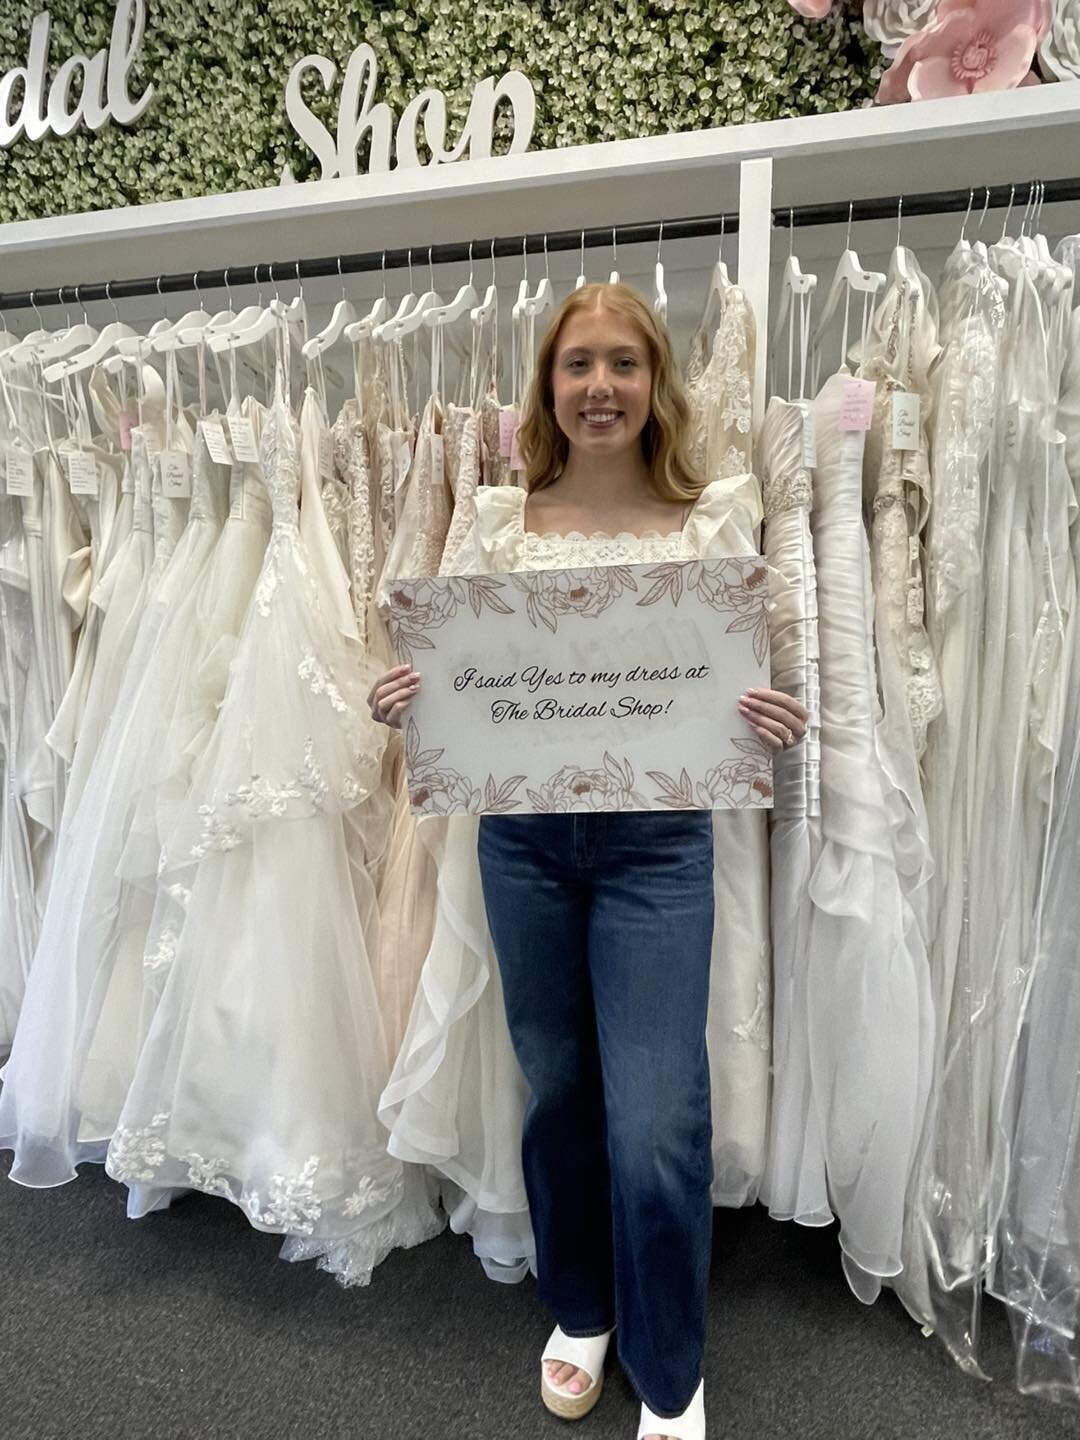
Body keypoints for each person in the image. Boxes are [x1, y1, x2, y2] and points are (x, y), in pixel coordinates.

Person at [369, 283, 807, 1440]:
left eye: (623, 363)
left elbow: (767, 680)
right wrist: (405, 698)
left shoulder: (714, 520)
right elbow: (455, 673)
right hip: (523, 845)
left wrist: (770, 712)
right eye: (578, 366)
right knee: (556, 1083)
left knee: (658, 1113)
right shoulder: (496, 521)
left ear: (656, 383)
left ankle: (670, 1358)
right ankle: (581, 1304)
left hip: (657, 847)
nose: (600, 387)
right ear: (547, 388)